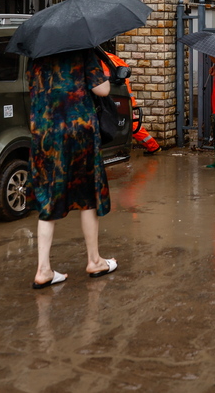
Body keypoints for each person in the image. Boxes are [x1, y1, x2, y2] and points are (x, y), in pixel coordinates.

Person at [28, 49, 118, 289]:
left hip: (45, 133)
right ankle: (94, 260)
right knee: (87, 194)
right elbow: (103, 90)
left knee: (49, 196)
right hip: (78, 132)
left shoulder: (37, 57)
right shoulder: (84, 52)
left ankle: (43, 269)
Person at [102, 51, 161, 155]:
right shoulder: (108, 57)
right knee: (130, 123)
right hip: (122, 97)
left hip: (115, 97)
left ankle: (153, 146)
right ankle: (153, 146)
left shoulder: (100, 59)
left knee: (132, 124)